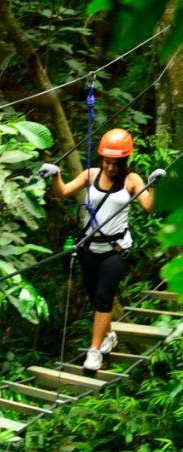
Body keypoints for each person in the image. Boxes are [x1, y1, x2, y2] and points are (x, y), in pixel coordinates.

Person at [39, 128, 165, 371]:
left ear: (124, 162)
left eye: (115, 163)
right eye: (107, 162)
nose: (110, 168)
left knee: (104, 298)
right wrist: (56, 175)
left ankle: (94, 352)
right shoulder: (90, 175)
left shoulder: (132, 180)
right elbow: (63, 192)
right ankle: (109, 336)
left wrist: (153, 185)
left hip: (116, 249)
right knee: (95, 298)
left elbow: (149, 207)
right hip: (89, 247)